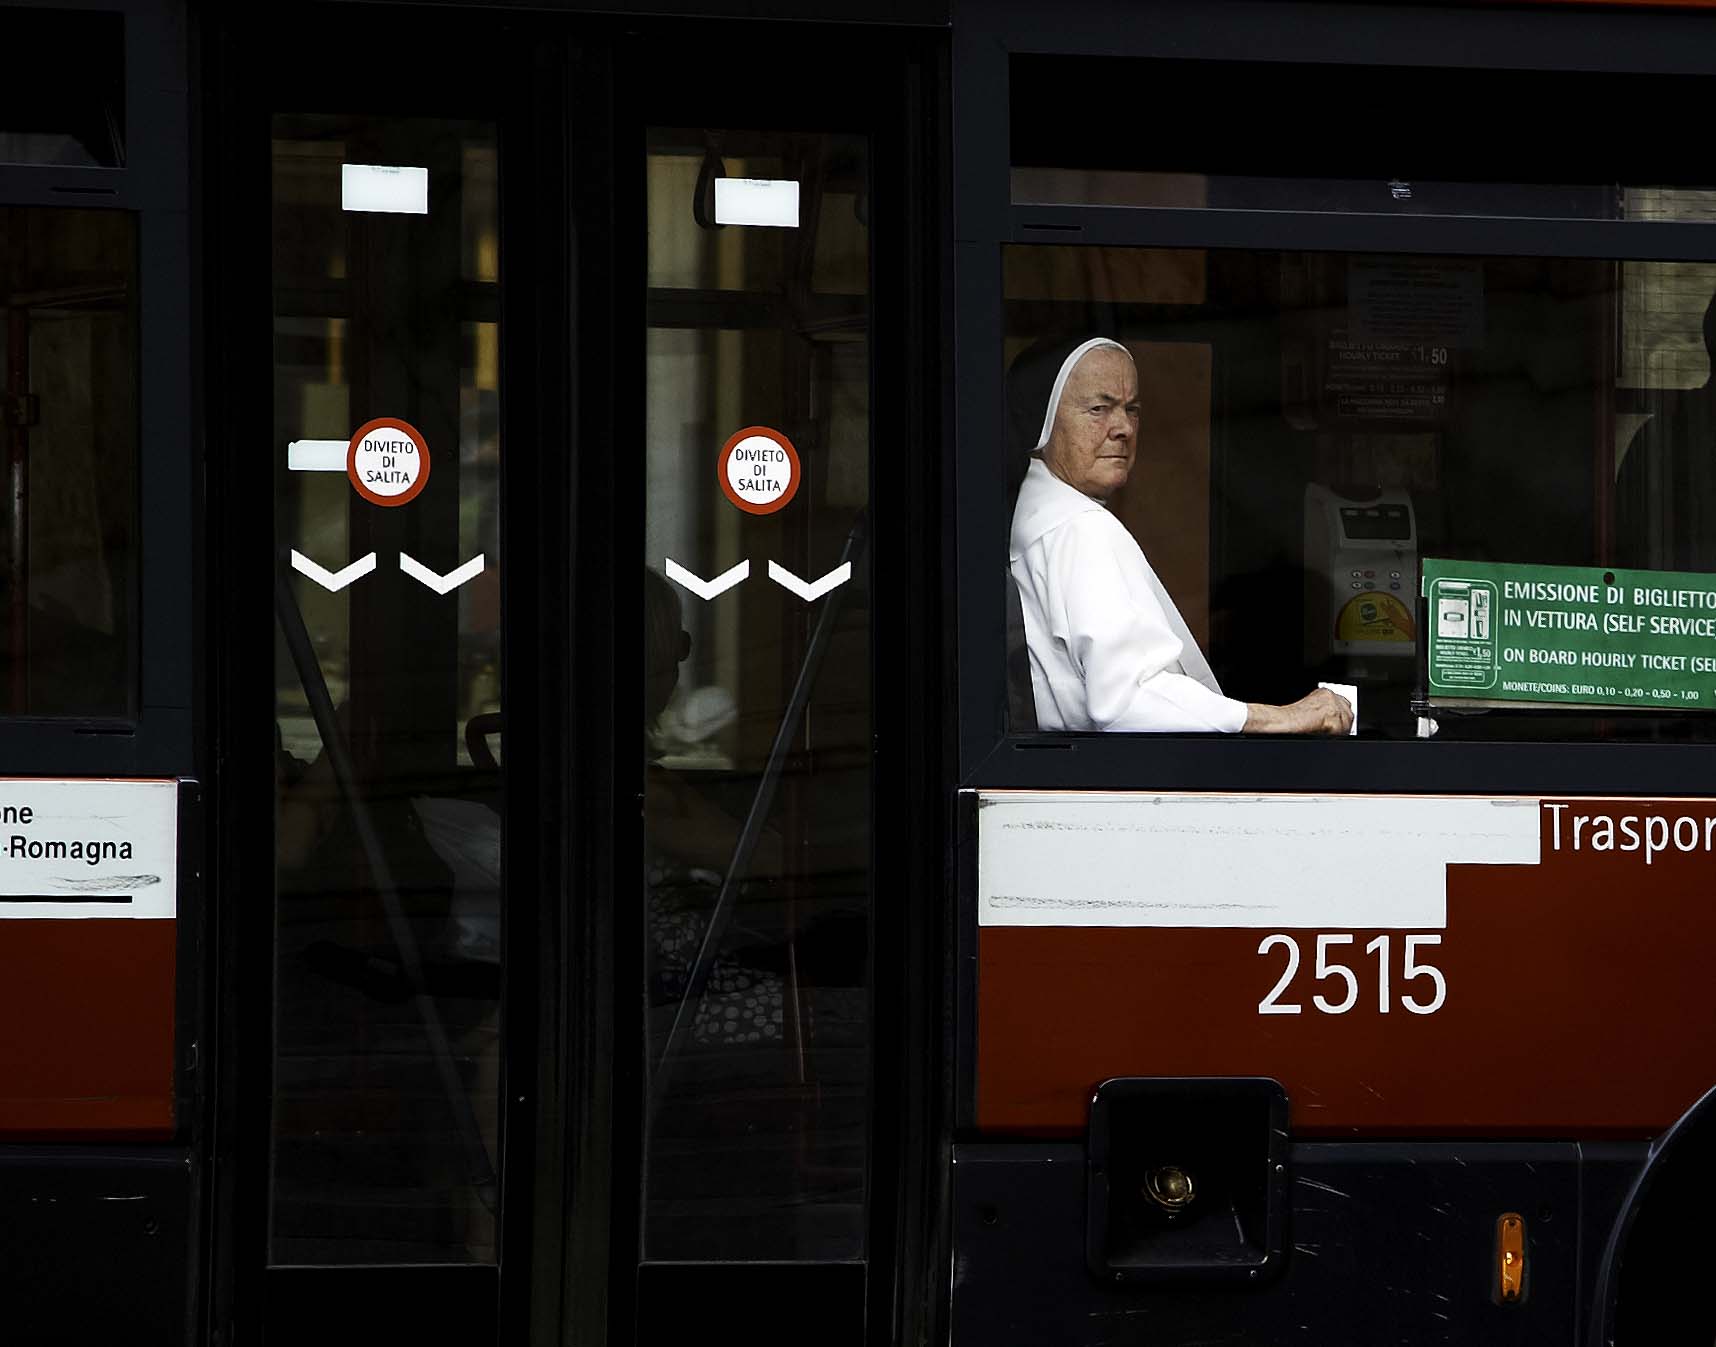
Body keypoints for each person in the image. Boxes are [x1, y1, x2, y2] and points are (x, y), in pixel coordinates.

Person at [1008, 336, 1353, 735]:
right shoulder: (1080, 528)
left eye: (1132, 409)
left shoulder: (1036, 515)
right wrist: (1284, 717)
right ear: (1044, 421)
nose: (1123, 428)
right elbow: (1129, 702)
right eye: (1099, 409)